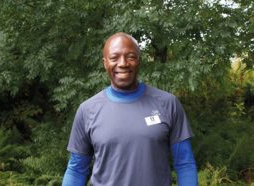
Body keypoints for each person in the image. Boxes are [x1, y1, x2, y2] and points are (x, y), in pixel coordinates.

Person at [62, 32, 198, 186]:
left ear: (139, 60)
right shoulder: (87, 110)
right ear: (105, 62)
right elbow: (77, 170)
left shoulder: (168, 104)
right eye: (114, 58)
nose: (123, 63)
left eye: (131, 57)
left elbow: (184, 164)